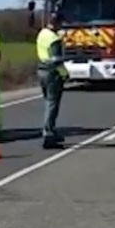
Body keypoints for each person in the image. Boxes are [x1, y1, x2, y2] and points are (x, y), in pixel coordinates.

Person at [36, 12, 69, 149]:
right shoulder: (54, 39)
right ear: (57, 23)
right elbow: (57, 61)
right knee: (52, 103)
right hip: (52, 72)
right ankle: (48, 133)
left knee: (48, 101)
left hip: (41, 69)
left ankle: (50, 130)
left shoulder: (42, 33)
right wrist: (65, 74)